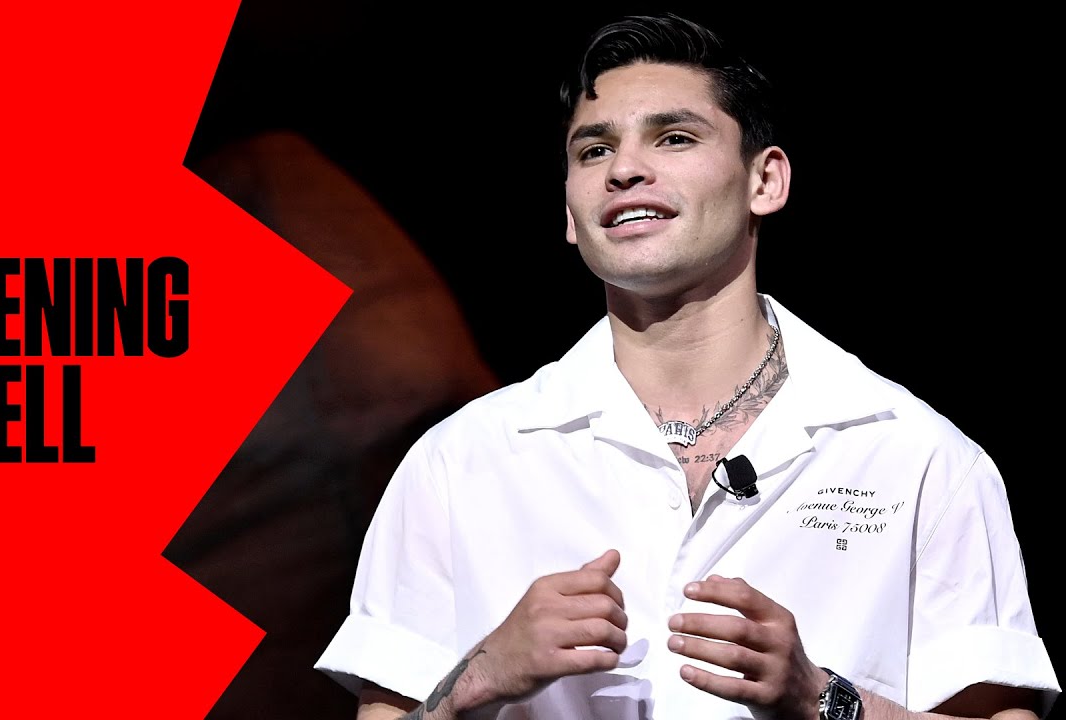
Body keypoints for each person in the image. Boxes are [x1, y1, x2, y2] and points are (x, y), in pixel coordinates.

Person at [313, 12, 1060, 720]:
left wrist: (820, 698)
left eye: (673, 138)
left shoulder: (915, 455)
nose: (623, 169)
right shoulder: (460, 461)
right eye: (593, 150)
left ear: (765, 181)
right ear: (570, 214)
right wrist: (475, 680)